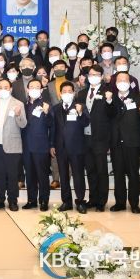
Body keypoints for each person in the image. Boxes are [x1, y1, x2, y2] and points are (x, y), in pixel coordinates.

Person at [77, 65, 117, 212]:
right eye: (91, 74)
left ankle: (102, 201)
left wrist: (109, 101)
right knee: (91, 171)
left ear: (101, 76)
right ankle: (93, 199)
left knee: (101, 170)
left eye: (96, 74)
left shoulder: (108, 92)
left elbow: (113, 114)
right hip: (85, 138)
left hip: (100, 137)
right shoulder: (81, 93)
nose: (93, 77)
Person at [50, 81, 90, 213]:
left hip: (76, 147)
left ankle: (80, 201)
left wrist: (80, 113)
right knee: (63, 175)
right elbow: (53, 128)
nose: (67, 93)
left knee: (78, 175)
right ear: (60, 94)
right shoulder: (55, 108)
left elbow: (86, 123)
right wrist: (52, 145)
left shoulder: (80, 106)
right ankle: (66, 201)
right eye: (64, 91)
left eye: (69, 91)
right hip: (60, 147)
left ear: (74, 93)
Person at [0, 78, 27, 211]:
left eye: (6, 87)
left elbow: (23, 124)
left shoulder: (18, 103)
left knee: (12, 175)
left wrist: (18, 115)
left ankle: (12, 200)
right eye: (0, 88)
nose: (3, 90)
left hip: (12, 145)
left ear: (10, 89)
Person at [109, 72, 140, 214]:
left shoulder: (138, 98)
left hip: (132, 142)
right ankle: (120, 203)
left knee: (133, 174)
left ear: (130, 83)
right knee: (118, 174)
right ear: (115, 82)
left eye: (125, 80)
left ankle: (134, 203)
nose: (122, 82)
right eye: (119, 80)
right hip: (116, 142)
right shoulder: (111, 98)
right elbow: (108, 116)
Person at [22, 79, 52, 212]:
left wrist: (46, 113)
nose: (34, 89)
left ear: (41, 90)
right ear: (27, 89)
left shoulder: (46, 105)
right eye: (32, 87)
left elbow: (51, 124)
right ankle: (31, 200)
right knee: (30, 174)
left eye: (37, 87)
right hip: (26, 146)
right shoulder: (22, 105)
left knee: (42, 175)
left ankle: (44, 200)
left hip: (41, 145)